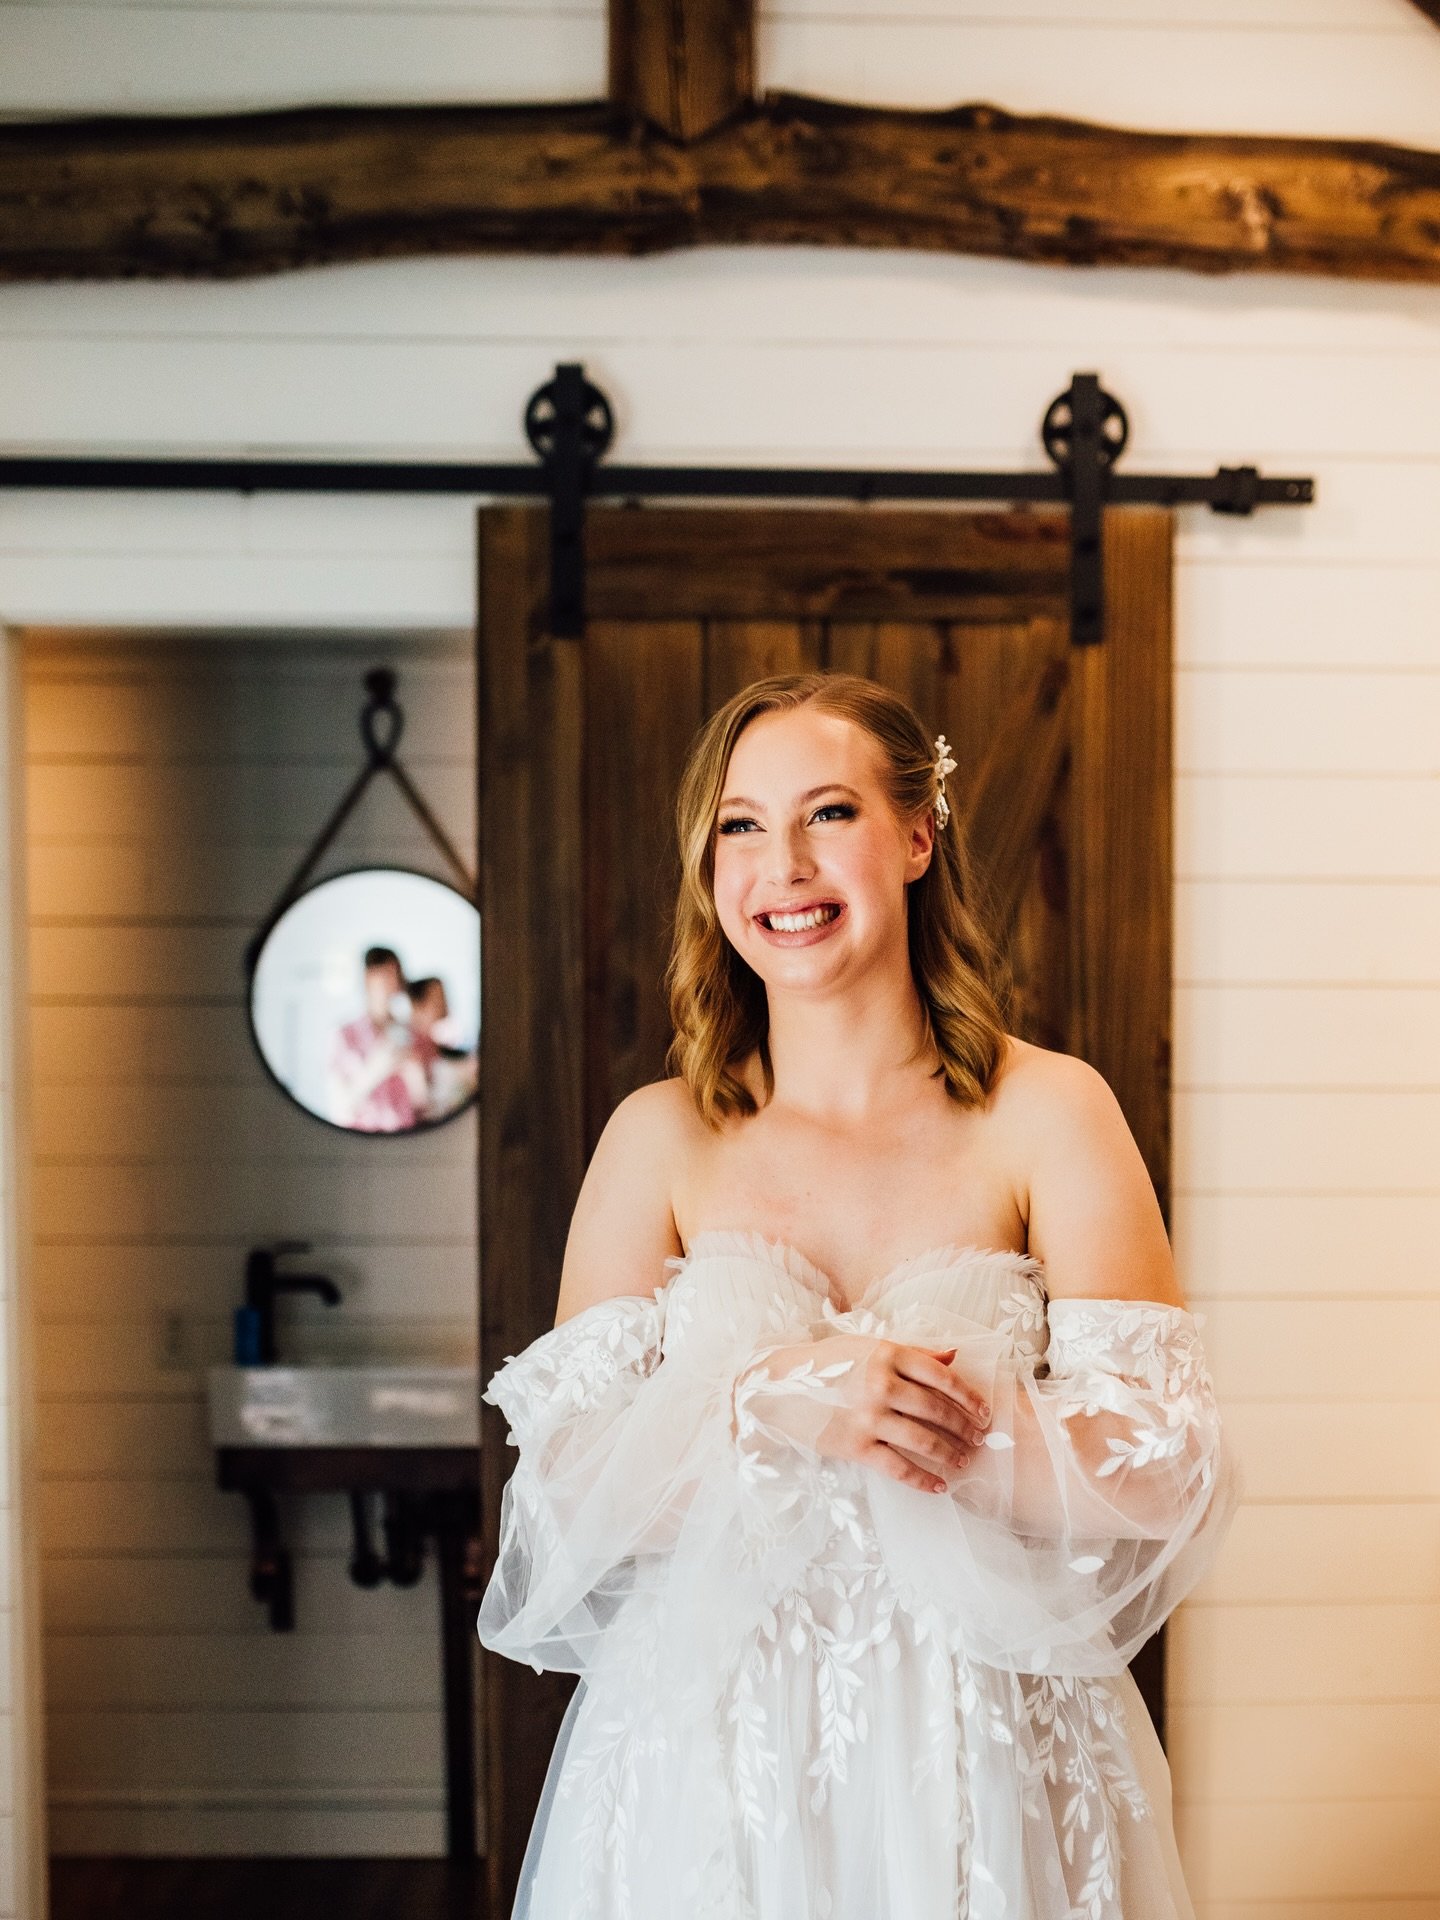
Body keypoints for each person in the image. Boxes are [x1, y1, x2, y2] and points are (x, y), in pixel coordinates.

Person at [476, 671, 1242, 1920]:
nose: (783, 864)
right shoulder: (658, 1139)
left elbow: (1165, 1466)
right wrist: (767, 1404)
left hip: (986, 1760)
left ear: (919, 834)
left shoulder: (1047, 1112)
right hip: (705, 1777)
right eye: (740, 825)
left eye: (828, 813)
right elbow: (563, 1501)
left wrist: (934, 1419)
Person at [326, 945, 418, 1132]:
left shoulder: (410, 1033)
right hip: (361, 1143)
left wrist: (413, 1071)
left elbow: (423, 1104)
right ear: (367, 978)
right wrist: (376, 1069)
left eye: (393, 975)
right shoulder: (344, 1035)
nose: (388, 983)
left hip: (405, 1140)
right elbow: (339, 1107)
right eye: (381, 974)